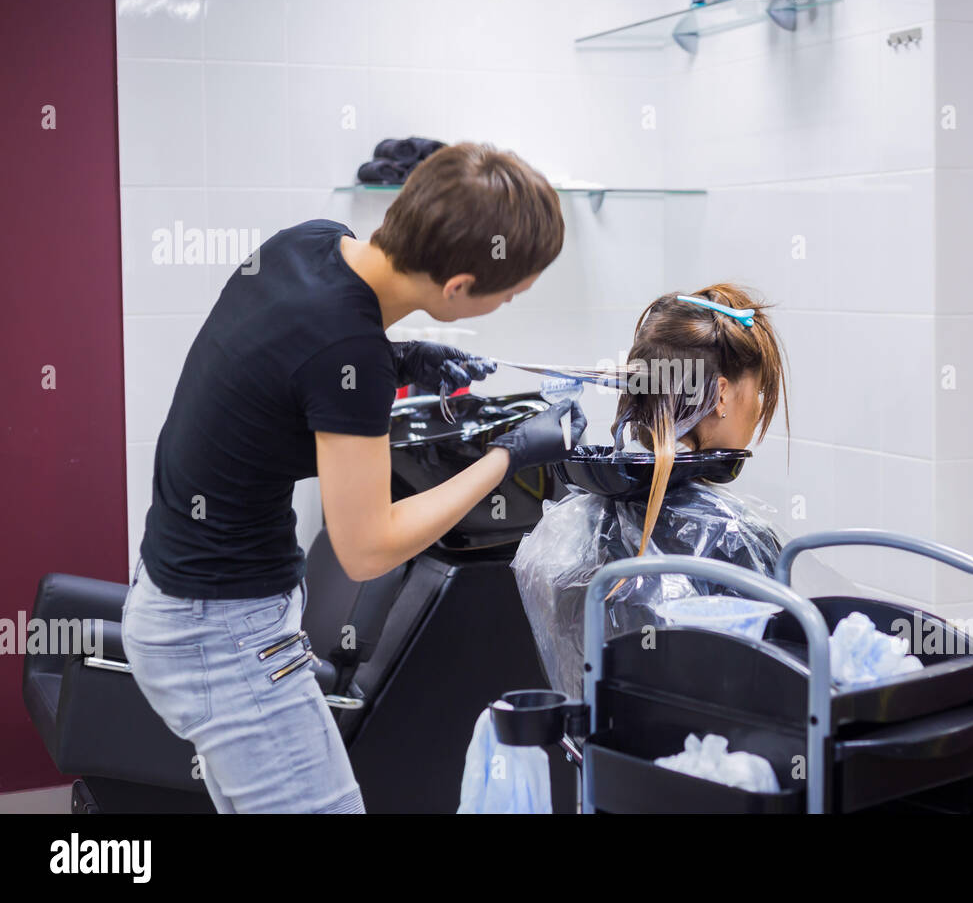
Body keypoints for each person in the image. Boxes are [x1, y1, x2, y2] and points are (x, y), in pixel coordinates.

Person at [120, 142, 585, 813]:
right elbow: (366, 549)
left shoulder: (307, 245)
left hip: (184, 601)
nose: (509, 302)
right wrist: (507, 458)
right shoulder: (350, 351)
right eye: (509, 295)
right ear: (457, 289)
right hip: (218, 632)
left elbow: (288, 354)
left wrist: (401, 360)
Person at [513, 283, 789, 698]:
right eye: (759, 390)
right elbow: (775, 688)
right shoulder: (735, 538)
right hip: (705, 758)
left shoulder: (573, 524)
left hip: (602, 756)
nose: (759, 407)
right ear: (721, 394)